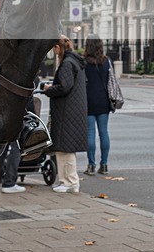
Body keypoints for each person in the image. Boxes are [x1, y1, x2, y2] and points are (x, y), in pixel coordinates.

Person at [42, 35, 87, 193]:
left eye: (53, 49)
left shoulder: (67, 63)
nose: (53, 53)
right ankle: (67, 181)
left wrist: (48, 90)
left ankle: (69, 182)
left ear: (57, 47)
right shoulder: (74, 61)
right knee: (65, 149)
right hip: (72, 111)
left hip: (66, 112)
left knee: (64, 149)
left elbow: (64, 87)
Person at [83, 35, 112, 176]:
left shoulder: (83, 63)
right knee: (103, 133)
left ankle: (91, 165)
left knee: (90, 133)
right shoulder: (106, 61)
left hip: (88, 101)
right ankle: (104, 164)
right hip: (104, 101)